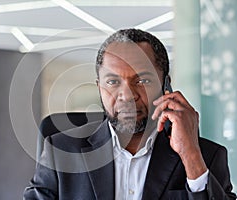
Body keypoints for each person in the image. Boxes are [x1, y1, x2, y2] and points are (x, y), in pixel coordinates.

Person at [23, 29, 236, 199]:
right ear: (99, 88)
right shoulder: (60, 152)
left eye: (142, 80)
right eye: (113, 82)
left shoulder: (206, 157)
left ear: (165, 86)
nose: (127, 95)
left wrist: (191, 157)